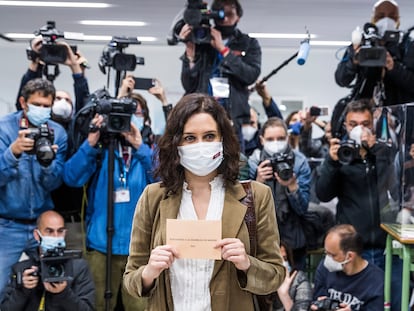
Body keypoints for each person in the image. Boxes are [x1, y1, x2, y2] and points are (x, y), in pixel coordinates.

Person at [123, 93, 285, 310]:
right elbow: (131, 279)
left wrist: (246, 263)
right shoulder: (153, 197)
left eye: (209, 136)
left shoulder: (257, 196)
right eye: (190, 138)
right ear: (176, 144)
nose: (200, 145)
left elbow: (275, 275)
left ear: (223, 140)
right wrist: (149, 271)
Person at [63, 91, 154, 310]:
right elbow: (71, 178)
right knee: (98, 305)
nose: (129, 119)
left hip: (139, 248)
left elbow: (165, 180)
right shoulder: (101, 150)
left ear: (144, 119)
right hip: (101, 244)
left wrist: (140, 147)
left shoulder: (147, 152)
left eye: (136, 112)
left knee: (139, 307)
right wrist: (91, 141)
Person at [315, 98, 402, 310]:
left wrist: (378, 154)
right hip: (354, 247)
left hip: (385, 242)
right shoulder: (341, 155)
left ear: (372, 125)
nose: (359, 129)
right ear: (345, 125)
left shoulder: (383, 152)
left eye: (365, 123)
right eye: (353, 124)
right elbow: (323, 194)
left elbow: (393, 190)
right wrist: (332, 162)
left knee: (392, 300)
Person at [0, 78, 67, 301]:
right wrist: (14, 153)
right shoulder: (4, 129)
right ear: (23, 102)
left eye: (47, 106)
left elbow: (54, 184)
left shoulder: (57, 133)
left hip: (43, 227)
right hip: (8, 224)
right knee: (1, 287)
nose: (42, 109)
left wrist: (47, 164)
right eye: (37, 104)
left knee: (53, 282)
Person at [178, 0, 261, 153]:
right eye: (221, 14)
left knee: (234, 167)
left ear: (238, 17)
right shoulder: (201, 39)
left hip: (232, 119)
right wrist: (190, 53)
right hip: (200, 116)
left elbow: (250, 75)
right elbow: (188, 85)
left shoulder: (248, 43)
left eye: (230, 14)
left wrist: (223, 50)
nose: (225, 19)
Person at [248, 117, 311, 270]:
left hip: (293, 240)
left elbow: (302, 209)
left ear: (288, 138)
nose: (276, 143)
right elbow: (246, 210)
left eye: (281, 138)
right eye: (270, 139)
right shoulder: (253, 162)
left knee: (294, 288)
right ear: (262, 140)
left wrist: (292, 186)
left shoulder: (300, 162)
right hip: (262, 241)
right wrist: (258, 181)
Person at [0, 210, 95, 311]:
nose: (55, 236)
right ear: (37, 235)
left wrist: (63, 293)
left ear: (65, 233)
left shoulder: (78, 267)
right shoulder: (22, 269)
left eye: (60, 231)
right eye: (49, 231)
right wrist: (22, 291)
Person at [334, 0, 414, 109]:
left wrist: (393, 67)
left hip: (398, 110)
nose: (386, 20)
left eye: (392, 16)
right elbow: (341, 80)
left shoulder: (407, 45)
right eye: (380, 16)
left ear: (398, 20)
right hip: (366, 111)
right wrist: (353, 62)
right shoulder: (361, 43)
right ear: (373, 19)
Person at [310, 224, 384, 311]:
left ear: (349, 256)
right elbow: (316, 300)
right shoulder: (324, 269)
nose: (327, 259)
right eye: (326, 253)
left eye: (333, 255)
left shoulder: (377, 281)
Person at [273, 240, 312, 311]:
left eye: (285, 258)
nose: (283, 263)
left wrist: (285, 296)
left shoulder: (299, 279)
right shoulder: (263, 283)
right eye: (278, 260)